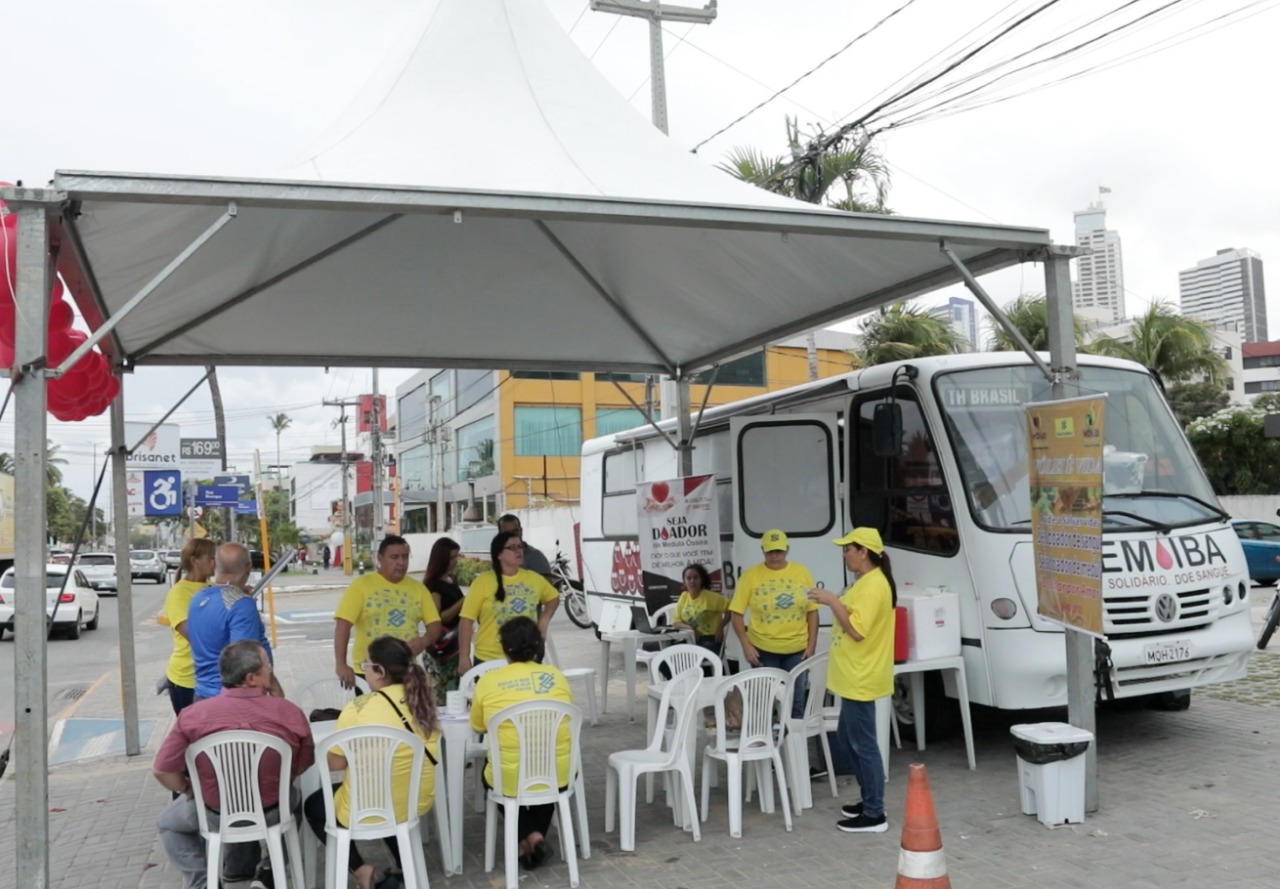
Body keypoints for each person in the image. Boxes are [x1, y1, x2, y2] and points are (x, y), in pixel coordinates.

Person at [153, 641, 314, 889]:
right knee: (295, 801)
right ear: (251, 678)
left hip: (215, 813)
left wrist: (188, 790)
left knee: (167, 824)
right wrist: (279, 781)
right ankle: (270, 870)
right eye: (267, 667)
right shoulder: (289, 713)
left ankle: (203, 883)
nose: (271, 671)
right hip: (272, 809)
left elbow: (162, 769)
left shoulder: (194, 715)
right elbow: (304, 762)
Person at [305, 636, 440, 889]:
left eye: (365, 665)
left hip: (370, 805)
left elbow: (335, 765)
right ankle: (404, 865)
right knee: (386, 793)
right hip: (414, 800)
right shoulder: (424, 701)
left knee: (314, 805)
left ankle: (359, 868)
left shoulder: (358, 707)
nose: (363, 670)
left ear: (380, 671)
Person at [807, 527, 896, 834]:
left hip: (861, 676)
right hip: (850, 675)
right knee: (848, 740)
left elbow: (857, 630)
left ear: (864, 552)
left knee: (863, 744)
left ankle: (875, 813)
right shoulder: (864, 582)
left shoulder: (873, 586)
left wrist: (832, 601)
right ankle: (868, 798)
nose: (844, 553)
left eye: (848, 549)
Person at [469, 617, 573, 870]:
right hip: (558, 772)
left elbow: (478, 726)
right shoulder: (556, 676)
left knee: (488, 777)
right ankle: (535, 839)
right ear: (538, 645)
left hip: (509, 776)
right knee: (548, 778)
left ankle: (531, 838)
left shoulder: (488, 682)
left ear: (505, 649)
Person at [727, 529, 818, 716]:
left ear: (787, 550)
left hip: (797, 649)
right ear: (763, 551)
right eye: (770, 552)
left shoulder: (802, 572)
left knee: (796, 700)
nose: (775, 556)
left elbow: (812, 611)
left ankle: (793, 742)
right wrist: (746, 646)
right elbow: (736, 614)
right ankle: (769, 742)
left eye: (779, 551)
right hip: (763, 650)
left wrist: (812, 644)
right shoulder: (750, 576)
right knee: (765, 701)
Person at [333, 534, 442, 691]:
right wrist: (341, 664)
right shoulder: (361, 586)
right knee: (373, 715)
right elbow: (343, 625)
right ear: (380, 558)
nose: (401, 563)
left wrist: (424, 641)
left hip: (405, 670)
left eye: (405, 557)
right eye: (394, 557)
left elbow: (435, 625)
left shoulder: (418, 589)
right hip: (370, 671)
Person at [187, 543, 282, 701]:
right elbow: (244, 660)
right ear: (248, 567)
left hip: (201, 694)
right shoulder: (241, 605)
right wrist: (275, 689)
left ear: (215, 564)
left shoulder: (198, 599)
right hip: (234, 700)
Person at [457, 532, 559, 677]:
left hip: (526, 657)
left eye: (520, 546)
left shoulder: (533, 578)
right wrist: (464, 657)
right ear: (499, 554)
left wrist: (544, 620)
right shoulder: (483, 582)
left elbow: (553, 598)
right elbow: (466, 621)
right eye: (512, 547)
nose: (519, 550)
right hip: (489, 659)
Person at [161, 538, 217, 715]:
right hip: (187, 679)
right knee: (195, 738)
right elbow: (194, 636)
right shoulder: (178, 593)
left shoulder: (214, 587)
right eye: (211, 558)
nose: (215, 563)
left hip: (214, 677)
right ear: (194, 560)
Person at [423, 537, 465, 705]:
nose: (455, 561)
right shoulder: (434, 585)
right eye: (452, 558)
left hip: (456, 645)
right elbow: (438, 618)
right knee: (442, 700)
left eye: (457, 557)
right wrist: (463, 602)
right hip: (441, 650)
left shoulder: (451, 580)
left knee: (456, 696)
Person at [672, 563, 728, 655]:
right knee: (667, 658)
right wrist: (690, 628)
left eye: (695, 578)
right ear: (684, 581)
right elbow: (676, 622)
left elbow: (730, 609)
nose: (692, 581)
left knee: (687, 657)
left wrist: (720, 627)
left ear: (701, 580)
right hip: (689, 639)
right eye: (688, 578)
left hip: (710, 640)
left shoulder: (711, 597)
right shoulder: (683, 597)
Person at [497, 513, 553, 579]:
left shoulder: (536, 557)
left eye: (515, 531)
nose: (512, 536)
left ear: (521, 531)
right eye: (507, 533)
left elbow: (547, 585)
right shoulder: (499, 558)